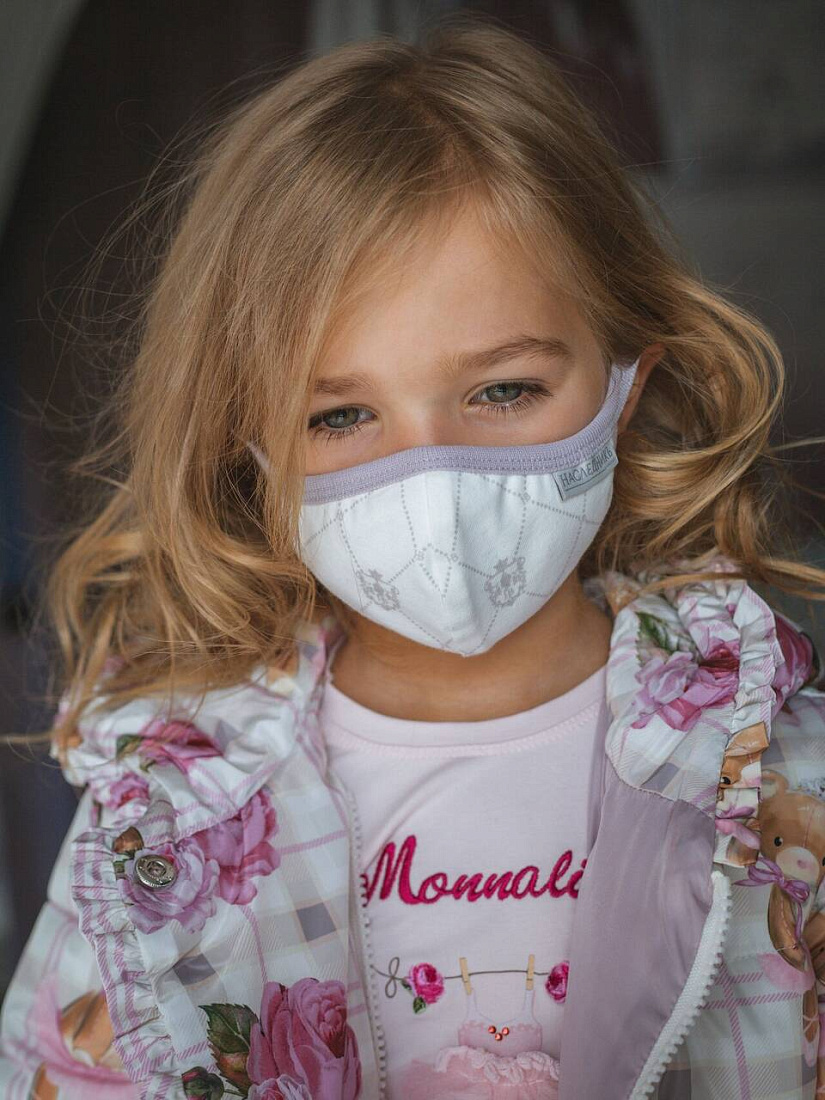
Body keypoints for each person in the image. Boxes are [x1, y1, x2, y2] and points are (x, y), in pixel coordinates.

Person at [1, 14, 824, 1100]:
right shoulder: (168, 815)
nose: (430, 480)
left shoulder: (778, 768)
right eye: (340, 416)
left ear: (627, 385)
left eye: (503, 390)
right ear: (248, 441)